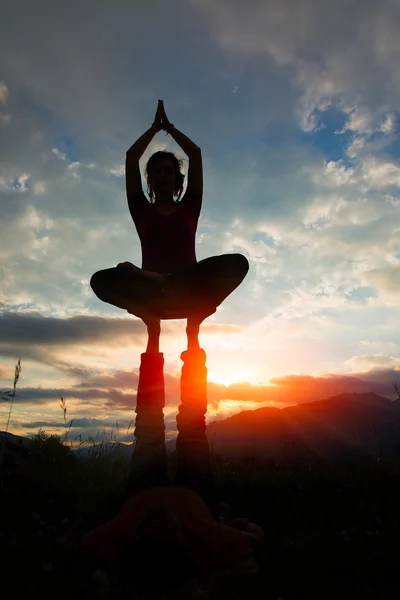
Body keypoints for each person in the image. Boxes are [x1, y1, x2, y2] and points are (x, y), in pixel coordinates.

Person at [83, 101, 263, 598]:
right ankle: (157, 306)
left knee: (233, 263)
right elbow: (127, 159)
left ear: (177, 181)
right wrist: (150, 131)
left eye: (168, 169)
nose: (163, 174)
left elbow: (198, 156)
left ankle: (182, 311)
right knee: (106, 279)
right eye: (156, 170)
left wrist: (171, 130)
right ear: (149, 180)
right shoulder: (141, 208)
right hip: (155, 293)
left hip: (184, 283)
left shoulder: (189, 207)